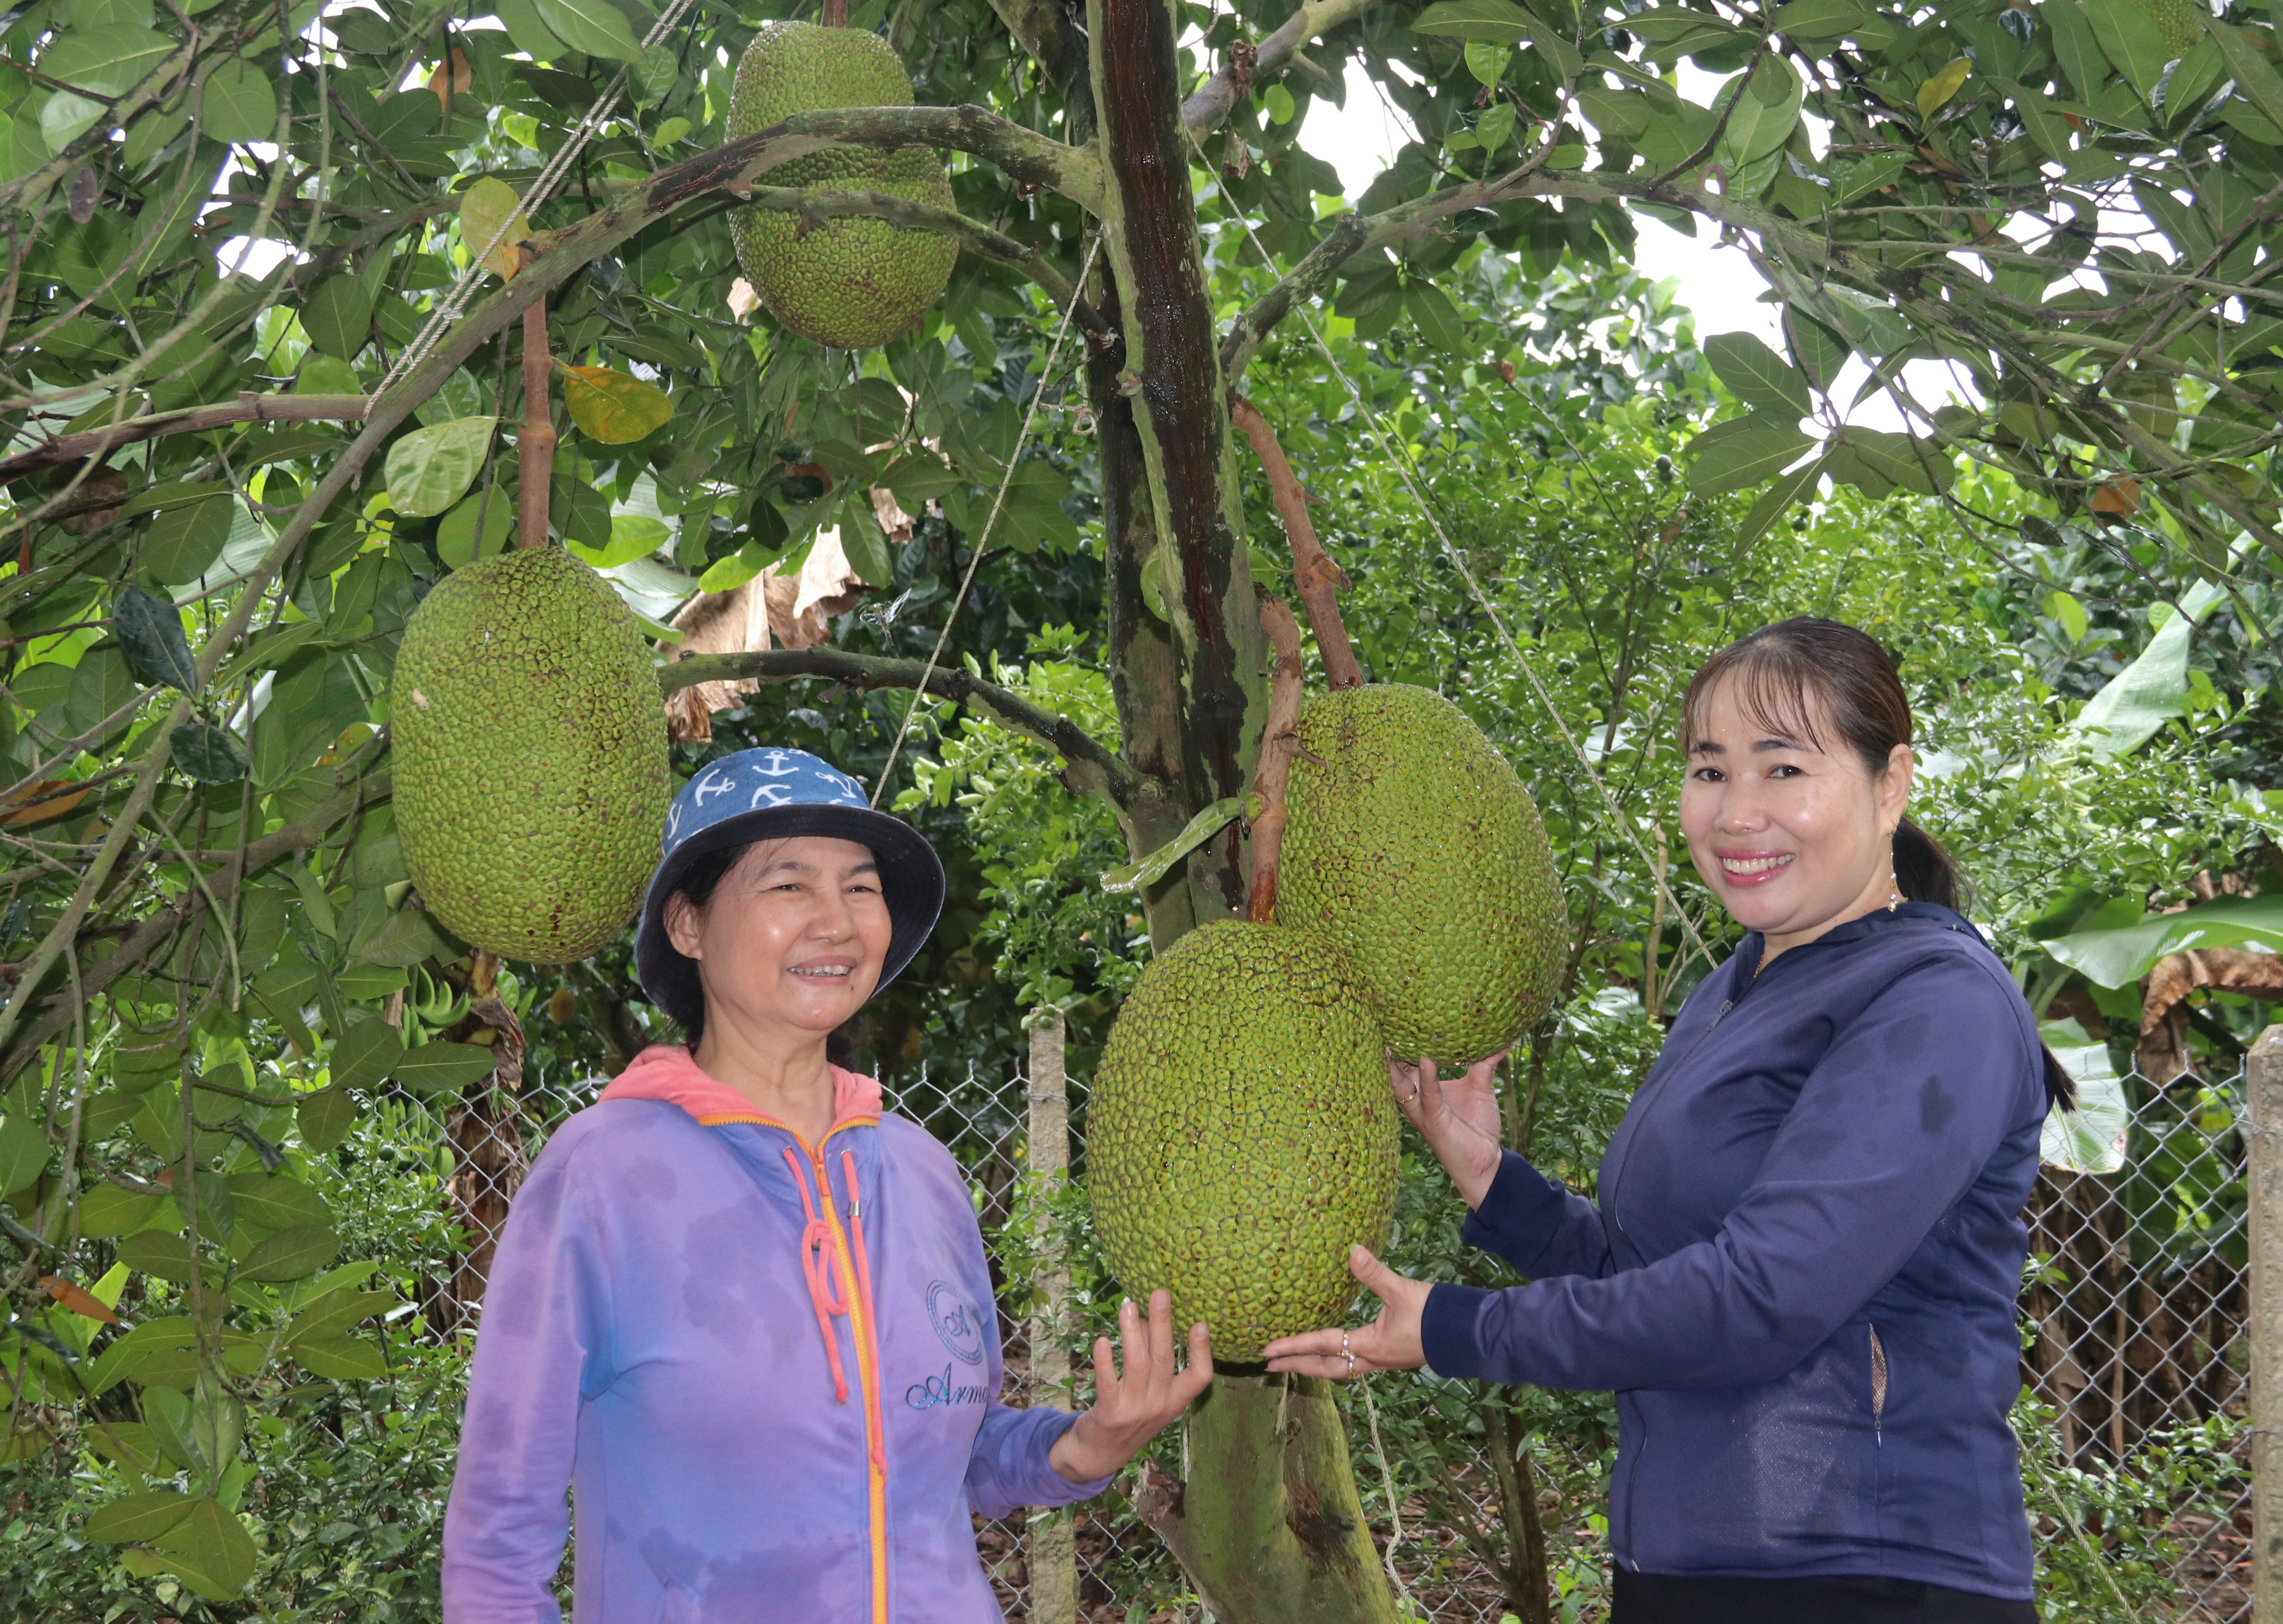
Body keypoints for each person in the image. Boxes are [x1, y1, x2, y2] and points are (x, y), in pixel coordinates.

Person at [1267, 617, 2067, 1624]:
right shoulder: (1733, 990)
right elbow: (1655, 1282)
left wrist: (1454, 1325)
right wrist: (1494, 1181)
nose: (1737, 814)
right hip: (1691, 1570)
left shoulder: (1937, 1001)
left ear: (1891, 781)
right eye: (1709, 770)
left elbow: (1760, 1297)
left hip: (1868, 1577)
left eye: (1783, 769)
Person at [442, 745, 1212, 1624]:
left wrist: (1088, 1443)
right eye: (788, 884)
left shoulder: (921, 1171)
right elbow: (498, 1544)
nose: (837, 920)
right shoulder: (604, 1177)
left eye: (860, 886)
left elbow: (954, 1451)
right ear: (688, 924)